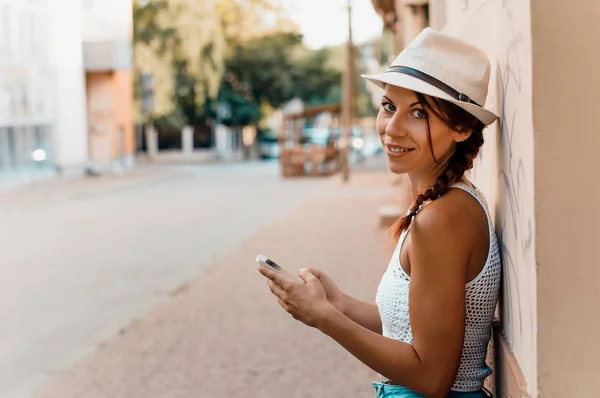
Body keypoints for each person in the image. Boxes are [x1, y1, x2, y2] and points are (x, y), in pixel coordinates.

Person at [256, 28, 501, 398]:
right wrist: (340, 305)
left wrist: (324, 318)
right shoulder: (443, 204)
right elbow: (413, 327)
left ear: (462, 127)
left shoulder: (443, 218)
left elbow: (433, 379)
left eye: (418, 112)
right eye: (389, 106)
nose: (392, 129)